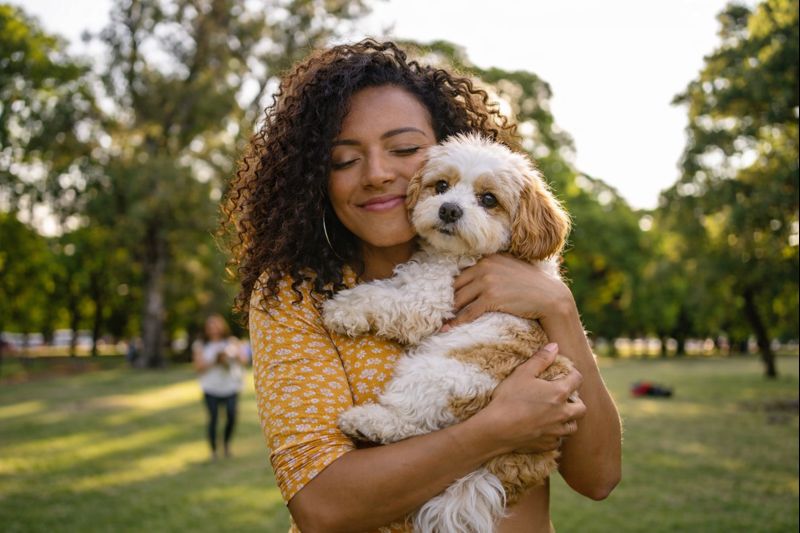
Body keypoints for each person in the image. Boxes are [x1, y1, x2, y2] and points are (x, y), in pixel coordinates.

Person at [224, 39, 621, 532]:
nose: (377, 174)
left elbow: (599, 477)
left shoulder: (519, 273)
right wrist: (495, 430)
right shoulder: (295, 295)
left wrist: (559, 307)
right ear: (313, 180)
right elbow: (322, 508)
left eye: (406, 149)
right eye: (344, 160)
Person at [192, 314, 248, 460]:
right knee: (213, 418)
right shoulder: (200, 345)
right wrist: (214, 360)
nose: (214, 329)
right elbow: (198, 367)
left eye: (216, 326)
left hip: (231, 386)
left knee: (231, 416)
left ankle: (226, 445)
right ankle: (214, 451)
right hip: (210, 387)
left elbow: (244, 360)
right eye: (210, 327)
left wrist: (233, 356)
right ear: (206, 329)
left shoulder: (232, 342)